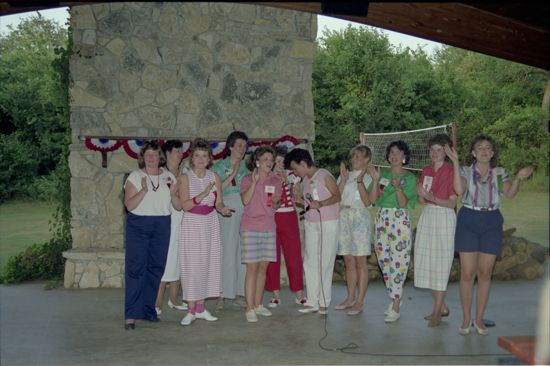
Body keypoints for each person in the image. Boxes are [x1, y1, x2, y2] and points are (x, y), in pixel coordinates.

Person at [445, 134, 533, 335]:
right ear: (474, 153)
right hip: (468, 218)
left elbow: (510, 194)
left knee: (485, 273)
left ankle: (478, 319)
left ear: (492, 153)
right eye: (480, 148)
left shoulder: (500, 172)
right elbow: (459, 190)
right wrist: (456, 162)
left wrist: (518, 178)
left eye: (488, 148)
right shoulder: (466, 170)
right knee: (467, 273)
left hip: (492, 220)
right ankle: (466, 319)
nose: (484, 151)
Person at [123, 141, 181, 330]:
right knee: (136, 269)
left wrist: (173, 195)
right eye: (147, 154)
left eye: (154, 155)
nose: (151, 158)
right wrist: (144, 190)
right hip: (139, 225)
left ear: (160, 157)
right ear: (142, 157)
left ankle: (149, 310)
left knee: (156, 269)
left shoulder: (169, 176)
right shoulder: (135, 176)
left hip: (162, 224)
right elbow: (129, 206)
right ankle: (131, 314)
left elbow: (178, 206)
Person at [178, 138, 235, 326]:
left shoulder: (214, 177)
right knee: (192, 266)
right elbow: (185, 205)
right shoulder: (185, 177)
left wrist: (223, 208)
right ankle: (191, 310)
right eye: (197, 156)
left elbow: (218, 201)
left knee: (208, 264)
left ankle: (201, 309)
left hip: (210, 223)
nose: (201, 159)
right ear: (191, 158)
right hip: (193, 223)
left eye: (204, 156)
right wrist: (201, 195)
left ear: (210, 159)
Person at [285, 148, 341, 315]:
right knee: (310, 261)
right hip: (311, 222)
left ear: (303, 163)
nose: (295, 172)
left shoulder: (324, 175)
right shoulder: (306, 180)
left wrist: (321, 204)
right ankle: (312, 301)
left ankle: (324, 302)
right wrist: (299, 200)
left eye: (295, 168)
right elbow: (310, 204)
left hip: (328, 223)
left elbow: (337, 196)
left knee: (325, 262)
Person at [368, 140, 417, 323]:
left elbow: (404, 203)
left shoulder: (410, 178)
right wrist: (374, 181)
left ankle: (396, 302)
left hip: (399, 219)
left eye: (398, 152)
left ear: (404, 156)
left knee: (399, 260)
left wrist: (398, 187)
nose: (394, 155)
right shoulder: (383, 175)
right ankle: (395, 295)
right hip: (381, 219)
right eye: (391, 152)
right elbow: (373, 200)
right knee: (384, 261)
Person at [413, 134, 457, 327]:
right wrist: (420, 194)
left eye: (439, 149)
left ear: (446, 152)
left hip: (444, 217)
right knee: (426, 262)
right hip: (428, 216)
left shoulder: (450, 171)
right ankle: (442, 306)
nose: (435, 153)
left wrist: (431, 197)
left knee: (441, 263)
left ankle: (437, 311)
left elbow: (452, 203)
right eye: (432, 149)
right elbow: (422, 201)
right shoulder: (426, 170)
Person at [240, 146, 282, 322]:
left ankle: (258, 304)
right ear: (257, 162)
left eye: (271, 160)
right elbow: (245, 200)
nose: (269, 163)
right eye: (265, 159)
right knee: (252, 268)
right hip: (250, 227)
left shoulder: (276, 181)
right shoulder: (247, 179)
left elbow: (276, 204)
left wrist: (276, 203)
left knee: (263, 268)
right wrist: (256, 182)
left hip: (268, 227)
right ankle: (249, 308)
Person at [212, 131, 250, 309]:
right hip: (226, 206)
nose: (242, 149)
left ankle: (238, 293)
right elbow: (215, 189)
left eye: (245, 146)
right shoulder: (219, 166)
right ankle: (222, 293)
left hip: (245, 209)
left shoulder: (247, 168)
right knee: (226, 250)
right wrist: (233, 173)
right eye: (239, 145)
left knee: (241, 252)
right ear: (230, 147)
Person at [334, 145, 373, 316]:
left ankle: (360, 300)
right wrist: (342, 180)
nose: (354, 160)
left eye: (358, 157)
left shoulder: (370, 176)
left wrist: (360, 180)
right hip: (344, 216)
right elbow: (336, 197)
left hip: (360, 217)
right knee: (348, 260)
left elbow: (367, 202)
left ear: (366, 160)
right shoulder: (346, 175)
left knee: (360, 262)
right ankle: (350, 297)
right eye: (353, 156)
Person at [265, 147, 306, 308]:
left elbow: (299, 199)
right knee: (272, 257)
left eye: (283, 161)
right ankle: (275, 294)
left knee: (294, 257)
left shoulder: (293, 177)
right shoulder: (268, 179)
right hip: (272, 218)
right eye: (277, 161)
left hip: (289, 217)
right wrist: (276, 185)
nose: (280, 165)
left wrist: (288, 185)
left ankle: (299, 294)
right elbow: (269, 204)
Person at [154, 139, 188, 316]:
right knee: (165, 261)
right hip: (167, 222)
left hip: (184, 221)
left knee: (179, 261)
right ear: (166, 154)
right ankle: (157, 301)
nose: (180, 154)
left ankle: (174, 299)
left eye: (181, 151)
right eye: (176, 151)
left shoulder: (185, 173)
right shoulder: (162, 175)